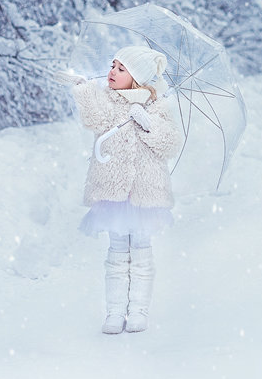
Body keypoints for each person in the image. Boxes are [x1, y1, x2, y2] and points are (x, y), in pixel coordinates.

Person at [56, 46, 183, 334]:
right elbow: (94, 121)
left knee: (141, 252)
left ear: (137, 78)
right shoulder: (107, 101)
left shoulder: (158, 106)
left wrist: (149, 125)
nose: (112, 72)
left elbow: (170, 144)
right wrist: (85, 91)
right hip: (113, 193)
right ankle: (114, 312)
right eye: (112, 65)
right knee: (115, 254)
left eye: (121, 69)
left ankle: (138, 310)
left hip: (144, 194)